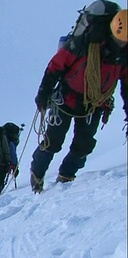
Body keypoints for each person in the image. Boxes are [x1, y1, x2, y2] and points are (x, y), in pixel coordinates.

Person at [31, 3, 127, 193]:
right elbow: (56, 66)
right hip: (68, 98)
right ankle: (37, 174)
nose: (122, 44)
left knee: (84, 145)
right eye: (120, 40)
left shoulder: (124, 56)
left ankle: (66, 178)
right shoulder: (84, 43)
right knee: (53, 141)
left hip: (95, 103)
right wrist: (43, 93)